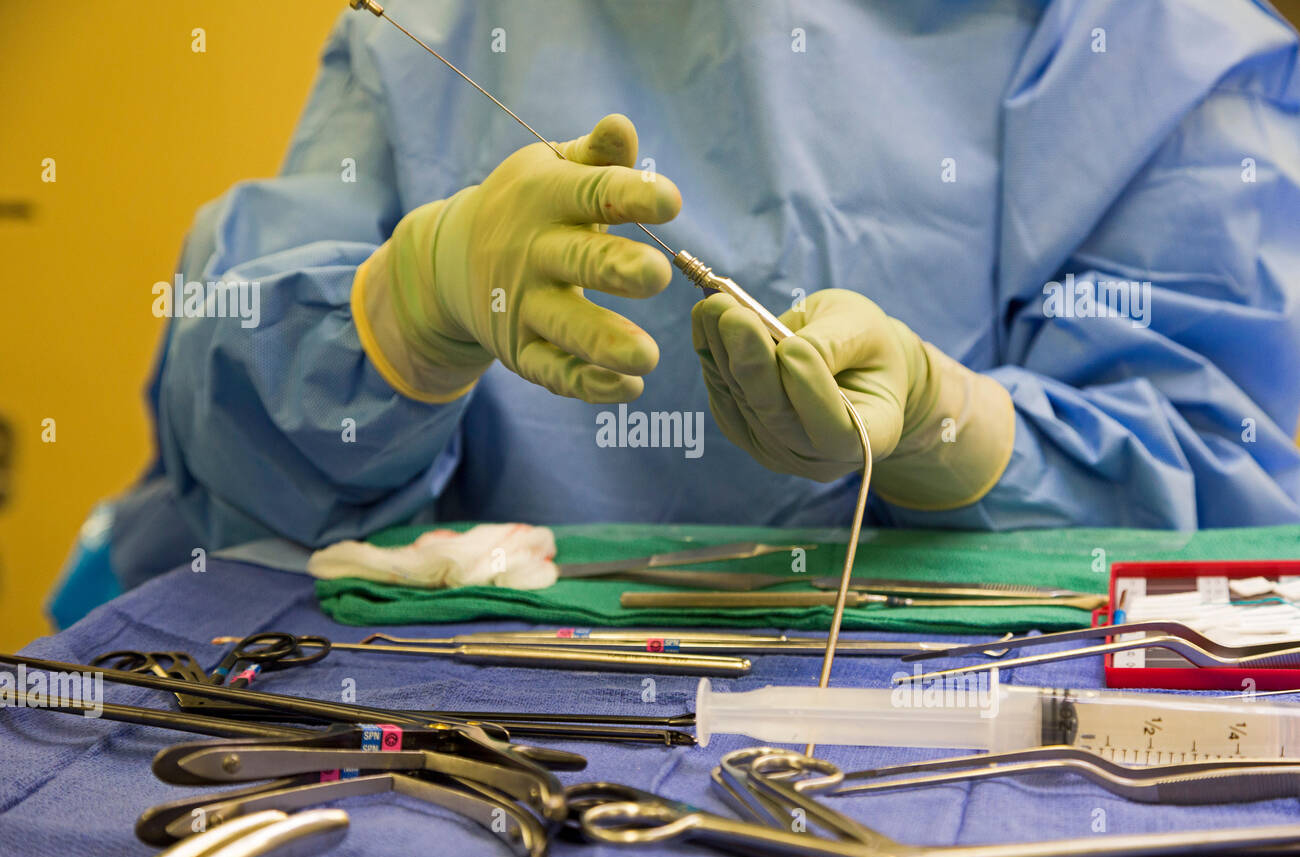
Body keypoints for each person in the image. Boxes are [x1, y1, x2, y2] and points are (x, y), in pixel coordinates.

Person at [49, 0, 1300, 627]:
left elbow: (1244, 507)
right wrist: (398, 315)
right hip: (424, 716)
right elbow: (237, 470)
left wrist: (953, 431)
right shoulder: (438, 26)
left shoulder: (1148, 42)